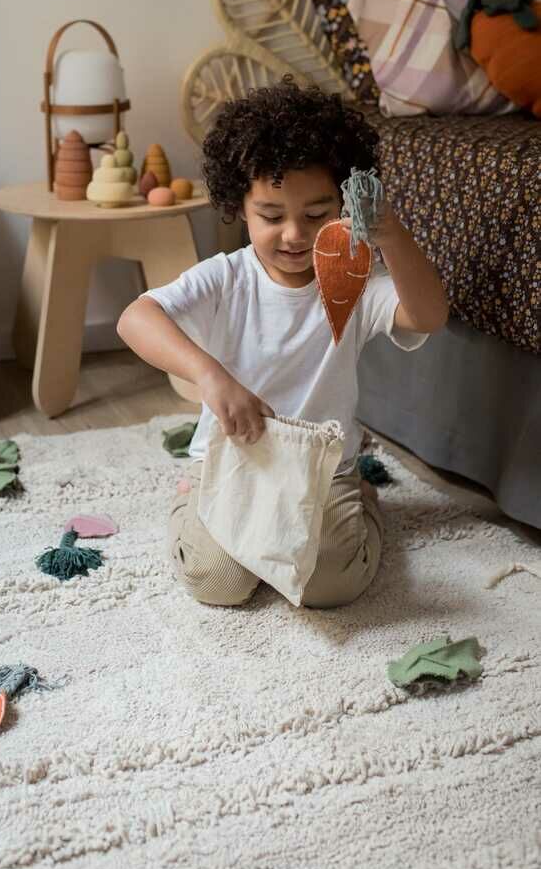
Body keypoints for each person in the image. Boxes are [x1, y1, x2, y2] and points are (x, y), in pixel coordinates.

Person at [117, 79, 449, 609]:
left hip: (324, 469)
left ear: (343, 202)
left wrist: (390, 234)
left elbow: (428, 315)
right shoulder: (227, 279)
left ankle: (362, 498)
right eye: (272, 217)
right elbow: (136, 318)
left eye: (316, 215)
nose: (294, 234)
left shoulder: (353, 279)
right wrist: (211, 377)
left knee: (331, 586)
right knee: (219, 583)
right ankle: (191, 498)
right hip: (232, 461)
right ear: (240, 207)